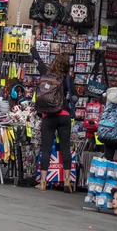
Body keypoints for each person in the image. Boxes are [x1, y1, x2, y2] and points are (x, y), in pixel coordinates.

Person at [31, 48, 78, 193]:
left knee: (46, 148)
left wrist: (33, 48)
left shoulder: (46, 73)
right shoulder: (68, 79)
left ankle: (43, 182)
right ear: (67, 66)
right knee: (65, 148)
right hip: (63, 115)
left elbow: (38, 61)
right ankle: (67, 182)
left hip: (48, 116)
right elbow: (75, 98)